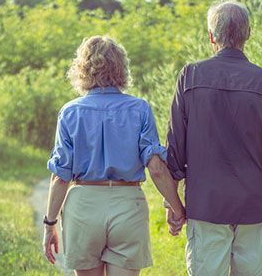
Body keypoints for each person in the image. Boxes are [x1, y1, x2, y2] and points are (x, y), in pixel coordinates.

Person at [165, 0, 262, 276]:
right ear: (248, 34)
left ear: (210, 36)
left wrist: (172, 204)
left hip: (206, 209)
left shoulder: (190, 76)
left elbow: (175, 150)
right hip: (253, 208)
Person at [42, 36, 185, 276]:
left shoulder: (70, 112)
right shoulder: (140, 108)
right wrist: (178, 209)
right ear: (121, 67)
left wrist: (49, 224)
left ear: (82, 68)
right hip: (127, 205)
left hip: (83, 206)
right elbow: (157, 169)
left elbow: (60, 177)